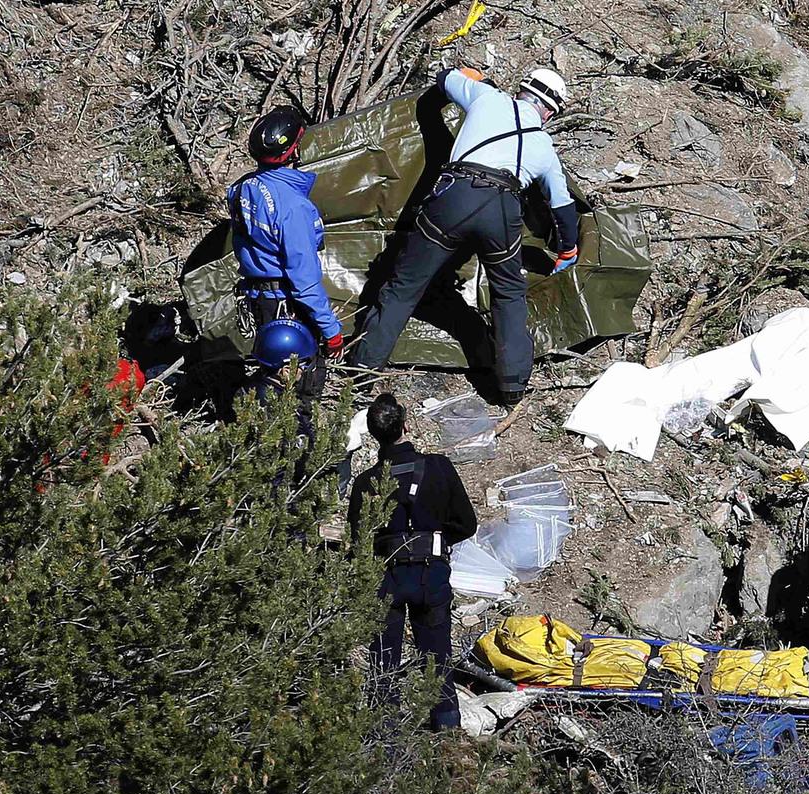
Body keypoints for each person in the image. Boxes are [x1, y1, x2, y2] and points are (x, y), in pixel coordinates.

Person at [353, 68, 581, 406]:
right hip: (502, 210)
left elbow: (444, 78)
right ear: (550, 110)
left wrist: (469, 75)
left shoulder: (486, 97)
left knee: (404, 287)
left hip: (453, 197)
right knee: (508, 297)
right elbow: (561, 204)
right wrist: (567, 248)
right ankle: (512, 388)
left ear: (521, 90)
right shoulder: (544, 146)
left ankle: (361, 372)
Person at [348, 394, 478, 730]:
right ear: (406, 425)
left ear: (375, 436)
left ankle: (382, 738)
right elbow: (466, 523)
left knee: (383, 664)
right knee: (437, 659)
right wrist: (436, 540)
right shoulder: (438, 467)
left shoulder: (364, 484)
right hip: (430, 575)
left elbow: (359, 541)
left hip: (385, 579)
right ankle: (447, 733)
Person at [227, 105, 344, 408]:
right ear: (294, 150)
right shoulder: (293, 208)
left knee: (271, 372)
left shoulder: (241, 189)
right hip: (286, 303)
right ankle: (296, 439)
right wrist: (331, 331)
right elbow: (304, 280)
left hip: (259, 298)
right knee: (300, 384)